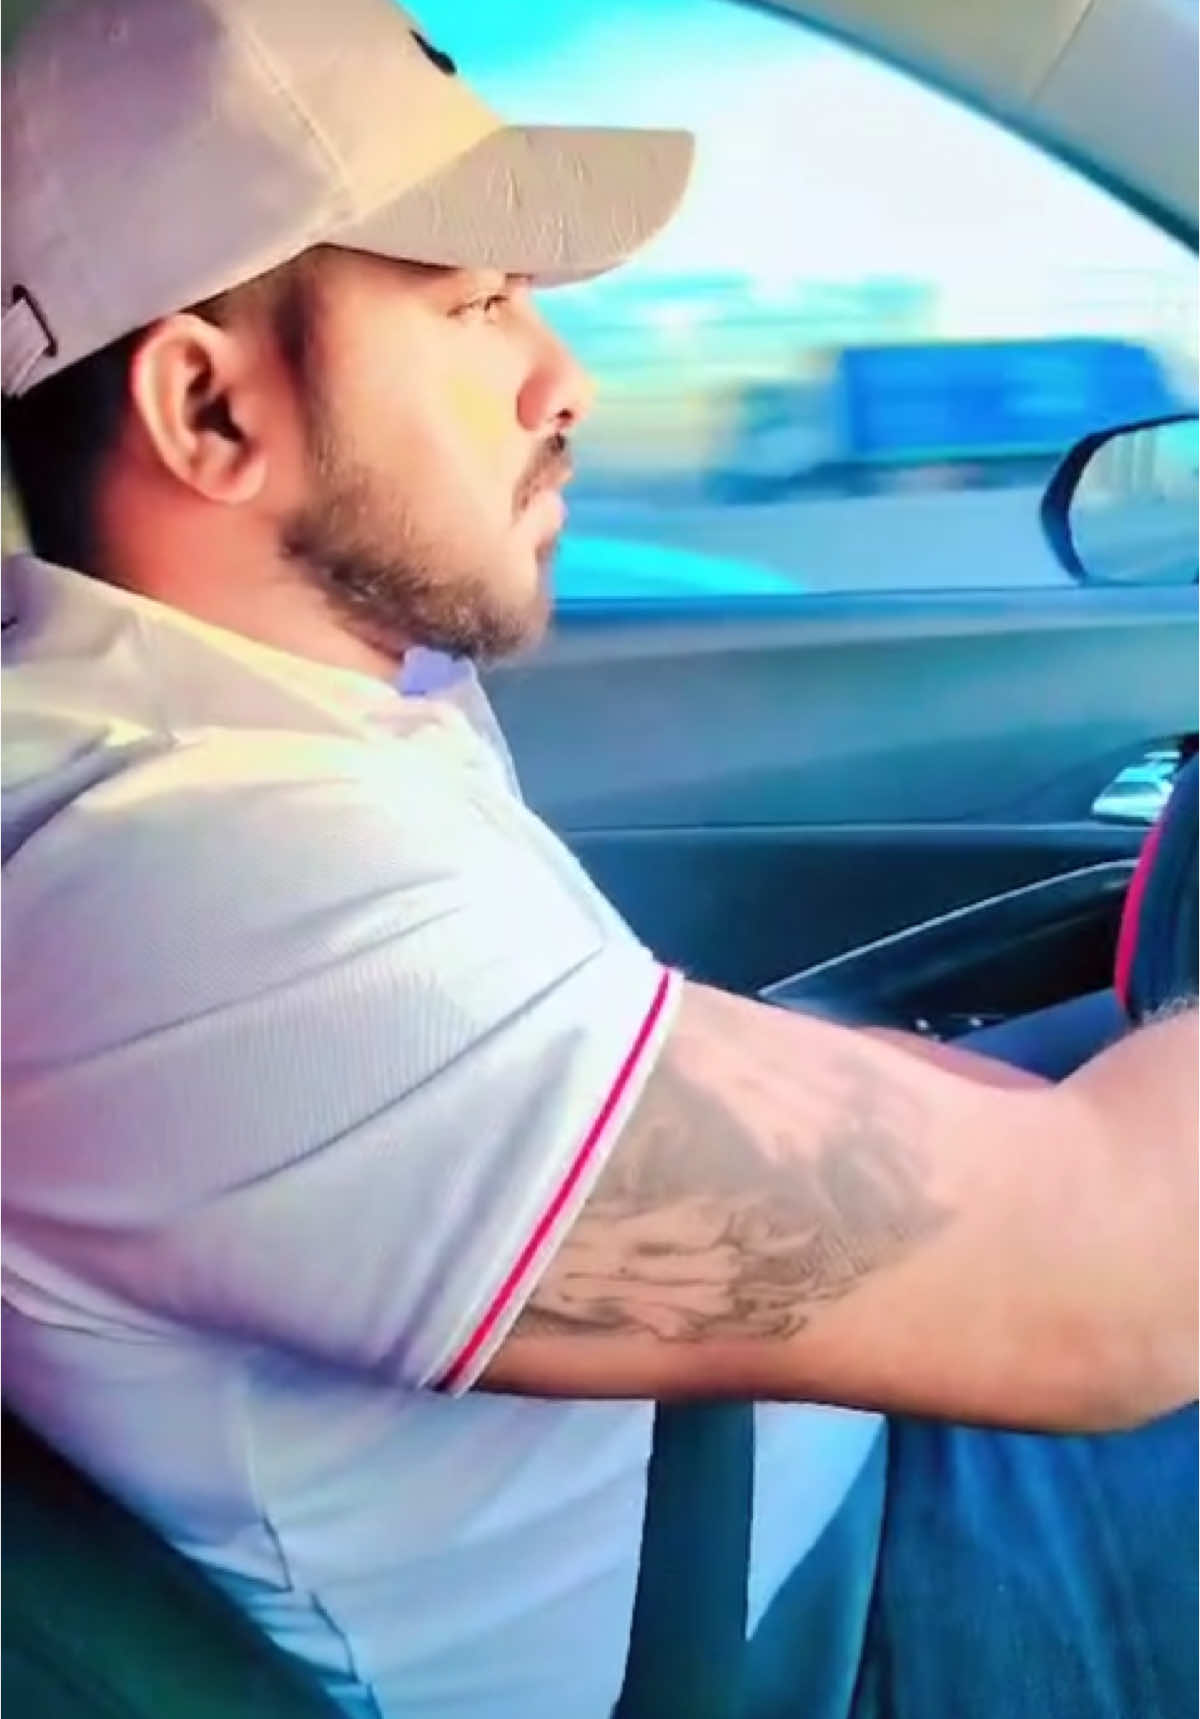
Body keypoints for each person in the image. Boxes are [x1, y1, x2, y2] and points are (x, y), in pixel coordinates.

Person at [1, 3, 1195, 1717]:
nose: (567, 380)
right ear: (207, 407)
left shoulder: (290, 720)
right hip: (834, 1627)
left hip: (802, 1495)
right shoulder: (183, 878)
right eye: (475, 303)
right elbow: (1117, 1295)